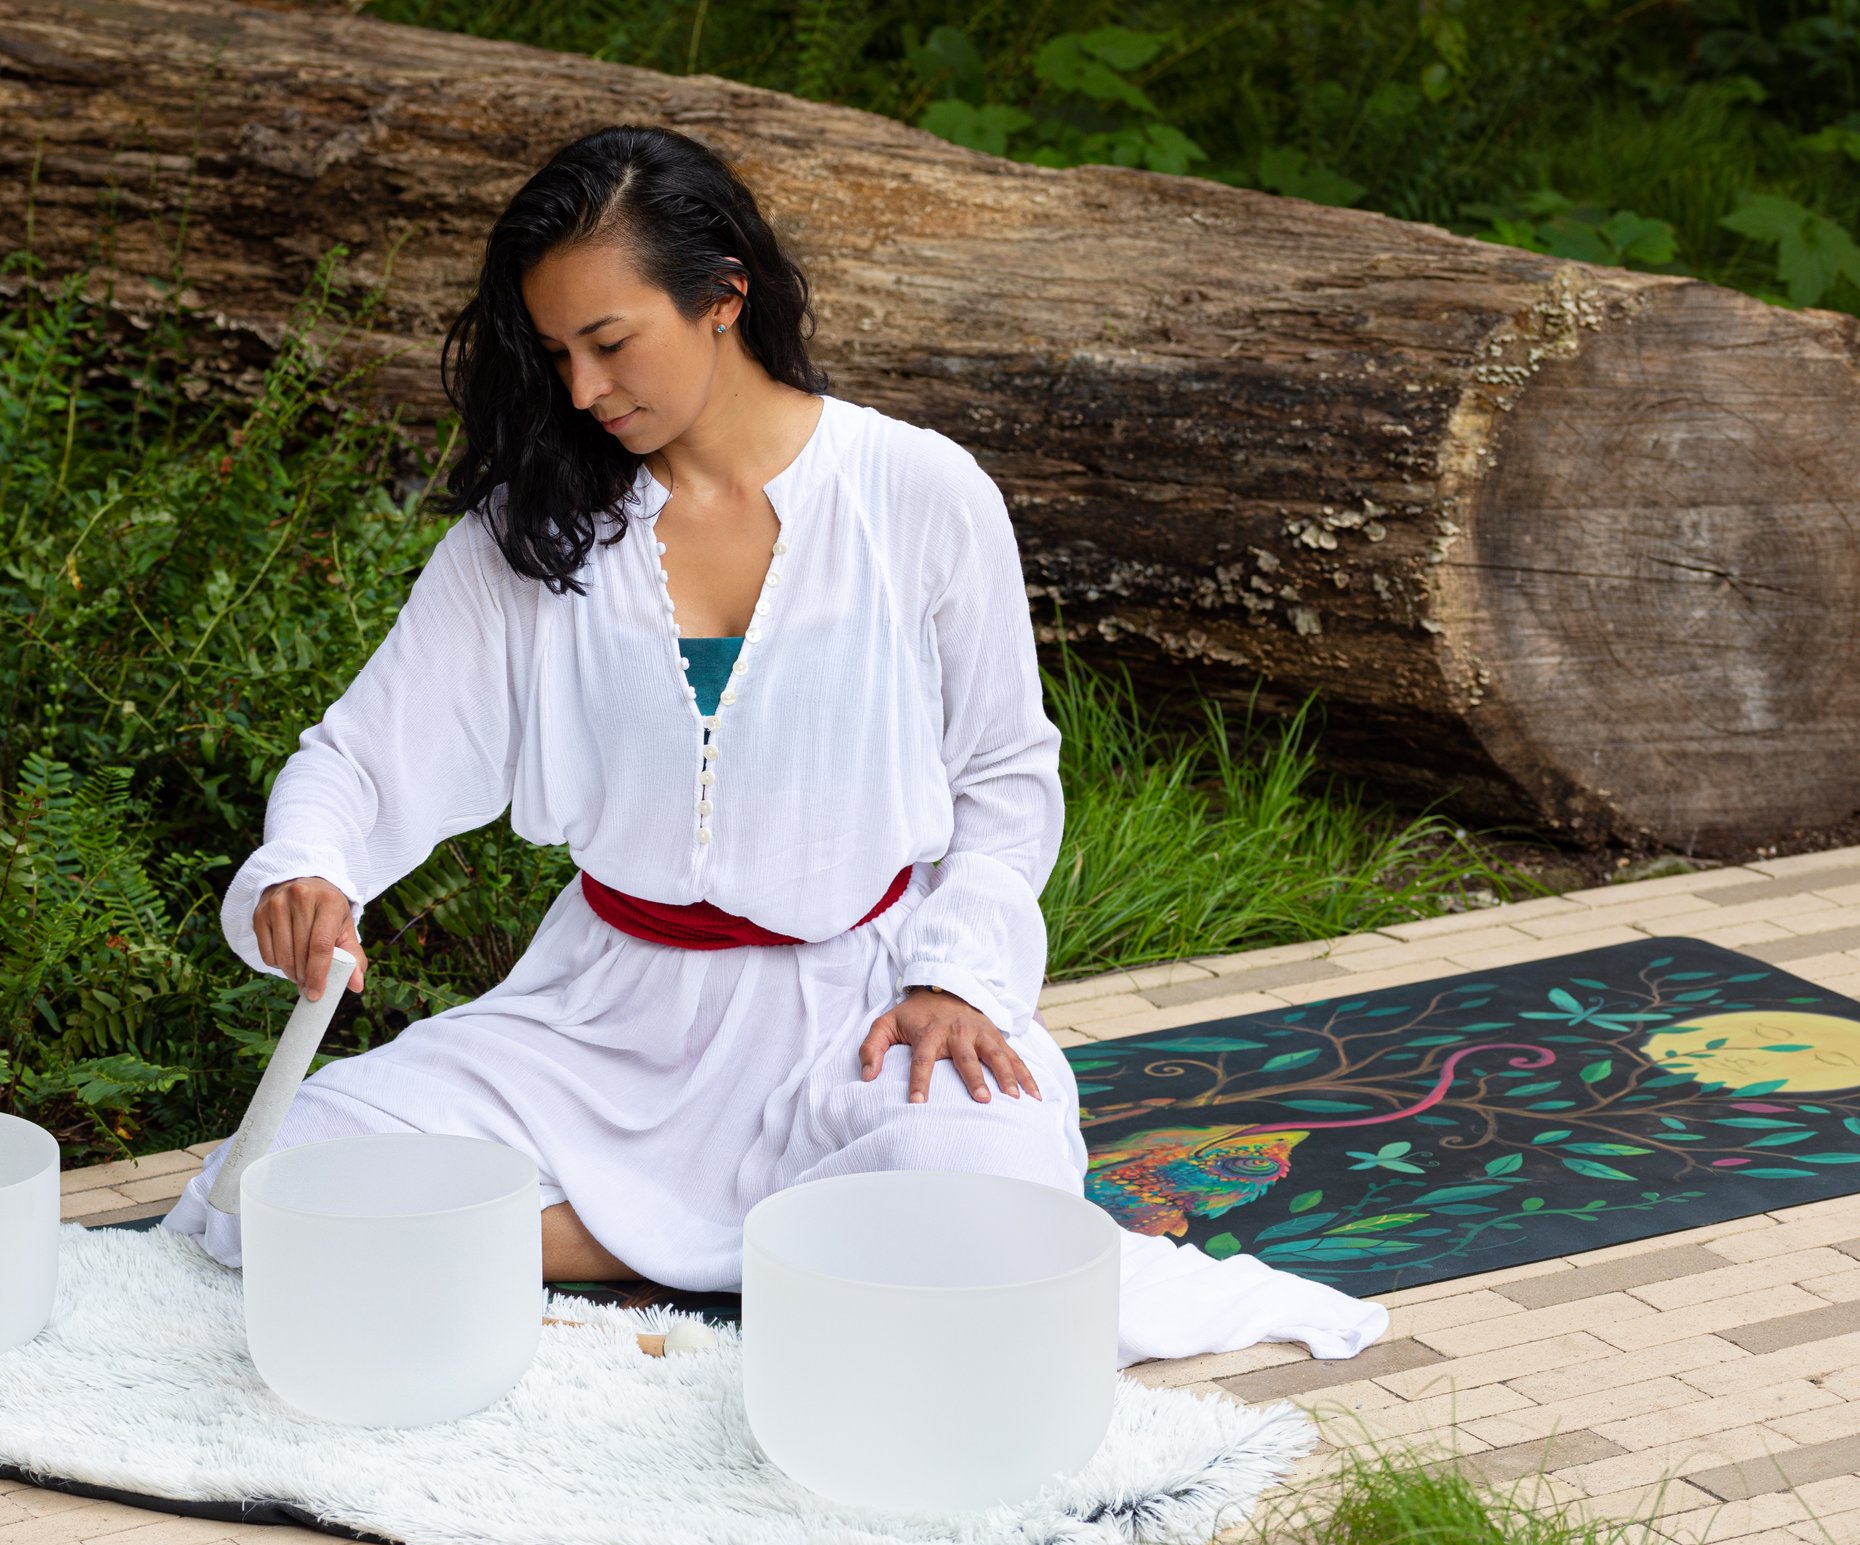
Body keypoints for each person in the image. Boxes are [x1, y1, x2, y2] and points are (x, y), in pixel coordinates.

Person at [161, 125, 1386, 1367]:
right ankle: (762, 1240)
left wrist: (954, 975)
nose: (581, 390)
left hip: (864, 1002)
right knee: (278, 1177)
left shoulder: (918, 490)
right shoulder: (531, 536)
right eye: (555, 354)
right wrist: (306, 868)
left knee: (980, 1180)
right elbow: (363, 755)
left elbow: (1006, 780)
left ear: (722, 297)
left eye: (609, 341)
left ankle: (701, 1233)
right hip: (605, 1022)